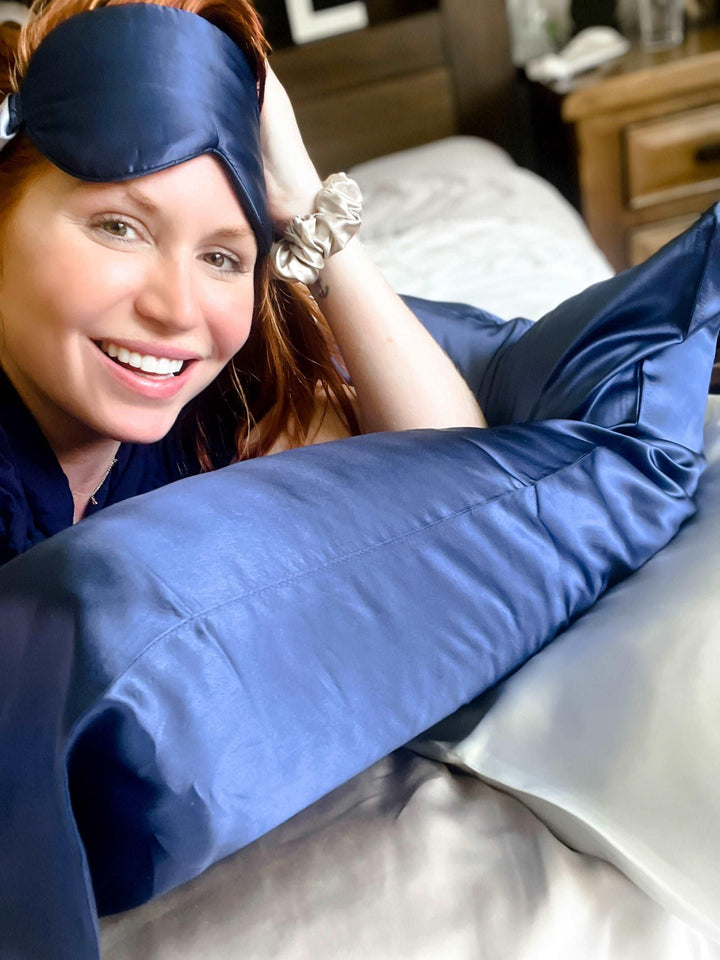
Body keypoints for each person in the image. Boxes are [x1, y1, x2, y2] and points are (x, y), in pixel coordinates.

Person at [0, 0, 485, 563]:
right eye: (119, 228)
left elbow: (459, 483)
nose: (178, 310)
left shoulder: (208, 426)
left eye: (222, 258)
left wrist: (308, 204)